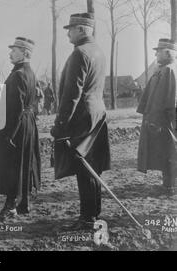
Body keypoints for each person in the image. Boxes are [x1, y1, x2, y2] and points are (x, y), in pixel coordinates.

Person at [51, 13, 111, 229]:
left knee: (84, 168)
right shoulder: (98, 52)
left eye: (71, 29)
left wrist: (60, 125)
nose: (68, 33)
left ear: (83, 30)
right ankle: (93, 213)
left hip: (82, 118)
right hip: (97, 115)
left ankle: (87, 218)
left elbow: (71, 95)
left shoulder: (80, 53)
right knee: (93, 167)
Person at [0, 37, 41, 219]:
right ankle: (24, 203)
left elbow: (15, 108)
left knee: (13, 165)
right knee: (24, 163)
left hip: (17, 125)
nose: (10, 53)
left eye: (15, 50)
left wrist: (9, 134)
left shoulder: (18, 74)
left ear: (24, 53)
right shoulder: (30, 72)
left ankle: (10, 206)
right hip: (27, 123)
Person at [137, 38, 177, 196]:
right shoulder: (163, 69)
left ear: (167, 53)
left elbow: (167, 100)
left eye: (158, 51)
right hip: (162, 119)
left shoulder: (169, 70)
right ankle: (168, 184)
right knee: (166, 151)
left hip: (165, 120)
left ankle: (170, 186)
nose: (155, 53)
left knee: (169, 151)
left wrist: (159, 120)